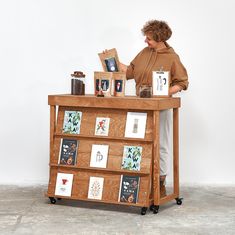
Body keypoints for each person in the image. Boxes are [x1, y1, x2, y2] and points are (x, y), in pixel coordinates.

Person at [110, 20, 188, 198]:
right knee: (136, 143)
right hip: (139, 106)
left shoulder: (172, 58)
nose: (146, 41)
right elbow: (128, 72)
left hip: (160, 107)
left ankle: (159, 182)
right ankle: (139, 180)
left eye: (150, 38)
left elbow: (182, 82)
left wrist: (164, 93)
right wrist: (111, 59)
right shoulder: (144, 53)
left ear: (160, 39)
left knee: (160, 145)